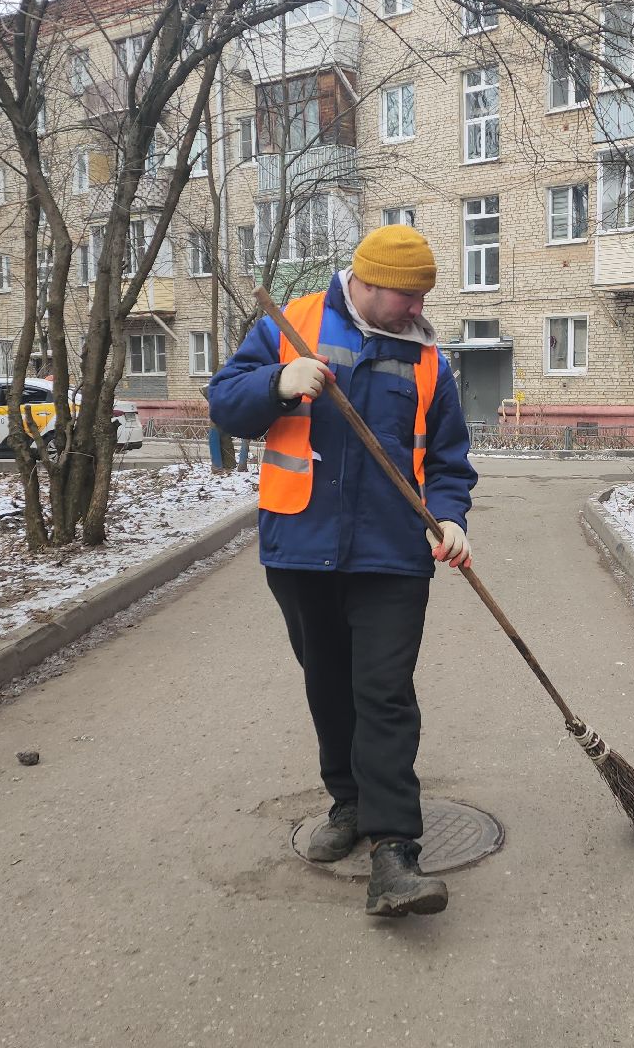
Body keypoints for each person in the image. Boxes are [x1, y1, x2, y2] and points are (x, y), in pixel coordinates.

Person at [207, 225, 477, 918]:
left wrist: (450, 519)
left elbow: (447, 457)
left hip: (392, 553)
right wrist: (278, 382)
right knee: (328, 684)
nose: (415, 308)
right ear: (365, 280)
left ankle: (395, 851)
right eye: (405, 295)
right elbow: (225, 404)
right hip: (301, 545)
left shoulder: (428, 360)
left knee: (383, 692)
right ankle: (348, 803)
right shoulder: (291, 324)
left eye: (422, 297)